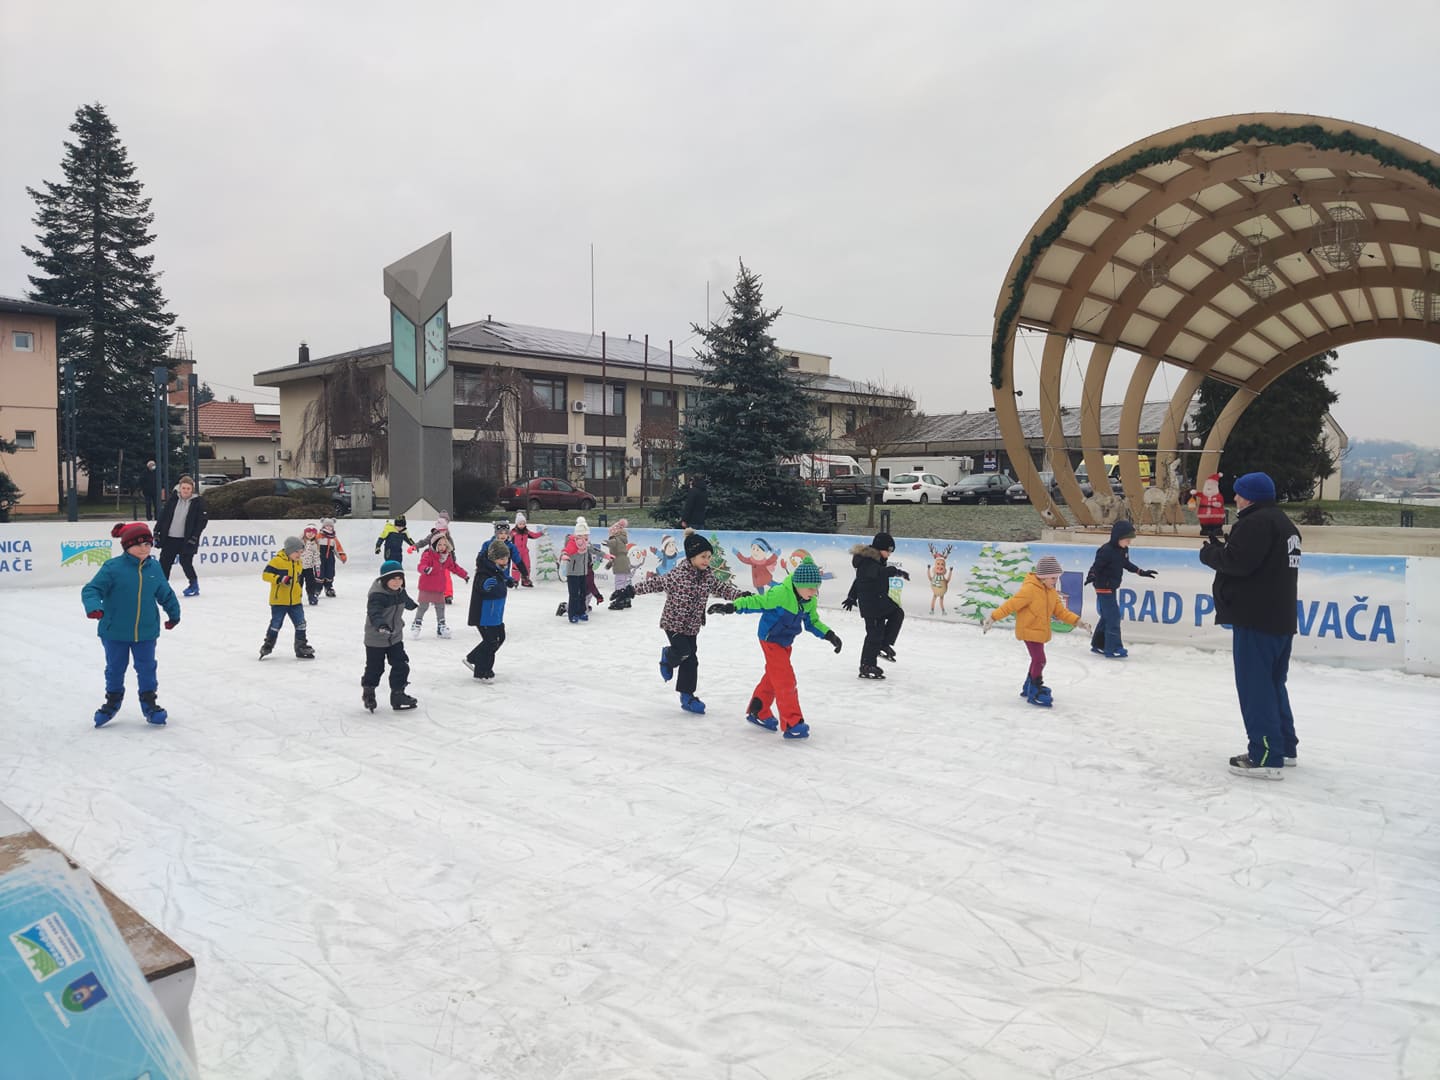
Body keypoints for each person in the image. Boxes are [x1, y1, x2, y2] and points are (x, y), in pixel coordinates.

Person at [1198, 471, 1302, 780]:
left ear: (1250, 496)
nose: (1236, 499)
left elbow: (1238, 563)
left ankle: (1266, 754)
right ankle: (1283, 747)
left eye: (1240, 494)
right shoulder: (1284, 523)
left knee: (1255, 688)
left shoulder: (1255, 523)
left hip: (1256, 618)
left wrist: (1210, 553)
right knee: (1272, 684)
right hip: (1279, 618)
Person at [610, 532, 747, 714]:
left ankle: (687, 696)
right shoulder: (678, 574)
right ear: (692, 556)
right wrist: (630, 591)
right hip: (673, 622)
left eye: (709, 557)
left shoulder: (708, 575)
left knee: (691, 660)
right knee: (683, 651)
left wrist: (741, 596)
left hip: (692, 626)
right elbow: (656, 583)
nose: (707, 560)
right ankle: (668, 656)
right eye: (703, 557)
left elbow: (722, 588)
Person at [709, 558, 841, 740]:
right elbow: (757, 602)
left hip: (785, 642)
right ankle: (793, 723)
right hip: (770, 639)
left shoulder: (808, 600)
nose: (815, 592)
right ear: (798, 584)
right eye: (811, 588)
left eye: (816, 588)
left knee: (774, 675)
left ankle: (759, 709)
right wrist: (732, 607)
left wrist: (829, 635)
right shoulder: (780, 594)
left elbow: (813, 623)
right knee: (785, 679)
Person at [82, 522, 180, 727]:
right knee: (115, 668)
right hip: (114, 630)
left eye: (148, 544)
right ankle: (112, 701)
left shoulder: (155, 568)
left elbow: (165, 592)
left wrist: (173, 614)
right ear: (126, 546)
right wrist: (94, 607)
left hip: (146, 631)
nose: (144, 548)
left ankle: (150, 702)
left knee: (147, 668)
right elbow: (91, 589)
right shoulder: (113, 567)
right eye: (139, 545)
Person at [983, 555, 1089, 707]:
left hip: (1040, 631)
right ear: (1043, 577)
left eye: (1057, 578)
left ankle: (1029, 686)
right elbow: (1011, 605)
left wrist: (1078, 622)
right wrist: (993, 618)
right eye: (1053, 578)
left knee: (1037, 660)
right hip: (1029, 630)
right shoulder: (1029, 590)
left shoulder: (1051, 592)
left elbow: (1060, 612)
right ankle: (1035, 688)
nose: (1055, 581)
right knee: (1040, 660)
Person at [1085, 520, 1157, 658]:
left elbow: (1126, 564)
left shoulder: (1123, 550)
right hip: (1103, 587)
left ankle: (1098, 644)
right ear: (1118, 537)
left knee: (1107, 616)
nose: (1129, 543)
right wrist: (1091, 576)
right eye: (1127, 540)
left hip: (1111, 586)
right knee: (1113, 617)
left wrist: (1141, 572)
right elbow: (1096, 566)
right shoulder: (1105, 550)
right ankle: (1113, 648)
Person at [842, 531, 909, 679]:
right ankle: (867, 665)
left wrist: (851, 596)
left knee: (897, 613)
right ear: (880, 548)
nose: (890, 554)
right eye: (889, 550)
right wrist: (896, 571)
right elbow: (877, 573)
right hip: (871, 604)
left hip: (878, 600)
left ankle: (883, 645)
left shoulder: (875, 560)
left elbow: (859, 580)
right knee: (874, 634)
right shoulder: (868, 561)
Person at [363, 560, 419, 711]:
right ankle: (369, 692)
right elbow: (374, 612)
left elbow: (404, 599)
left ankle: (398, 694)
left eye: (400, 578)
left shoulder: (400, 591)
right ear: (384, 579)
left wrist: (412, 604)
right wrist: (380, 625)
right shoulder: (377, 595)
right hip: (376, 638)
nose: (397, 582)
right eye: (393, 578)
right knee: (375, 668)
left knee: (401, 665)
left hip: (395, 637)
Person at [464, 539, 517, 680]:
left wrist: (508, 581)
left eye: (506, 558)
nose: (505, 561)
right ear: (493, 558)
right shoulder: (484, 571)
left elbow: (502, 578)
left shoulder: (499, 570)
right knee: (491, 641)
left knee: (500, 637)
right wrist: (484, 585)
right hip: (484, 614)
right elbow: (479, 585)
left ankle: (473, 657)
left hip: (495, 613)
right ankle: (482, 671)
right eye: (501, 558)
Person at [260, 536, 315, 660]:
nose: (299, 555)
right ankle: (268, 645)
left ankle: (301, 647)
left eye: (301, 553)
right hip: (279, 601)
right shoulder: (277, 561)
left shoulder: (299, 563)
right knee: (276, 624)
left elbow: (298, 580)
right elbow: (265, 575)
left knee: (301, 624)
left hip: (295, 601)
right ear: (289, 550)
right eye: (297, 552)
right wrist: (279, 579)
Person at [153, 474, 208, 596]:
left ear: (192, 489)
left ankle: (194, 585)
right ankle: (162, 587)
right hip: (170, 538)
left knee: (186, 562)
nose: (186, 491)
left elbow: (201, 521)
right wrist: (156, 532)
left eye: (188, 488)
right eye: (183, 488)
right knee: (164, 563)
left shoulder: (198, 502)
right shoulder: (172, 500)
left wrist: (194, 536)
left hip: (186, 540)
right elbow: (163, 516)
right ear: (179, 488)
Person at [412, 532, 468, 638]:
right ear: (434, 545)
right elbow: (421, 565)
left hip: (439, 587)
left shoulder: (446, 557)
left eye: (444, 545)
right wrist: (426, 569)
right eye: (439, 545)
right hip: (426, 586)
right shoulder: (428, 554)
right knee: (423, 606)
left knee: (440, 607)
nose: (442, 547)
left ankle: (441, 626)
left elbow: (454, 567)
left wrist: (464, 575)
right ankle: (416, 624)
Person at [559, 516, 592, 623]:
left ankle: (581, 612)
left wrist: (606, 556)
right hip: (573, 573)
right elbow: (566, 550)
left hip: (582, 572)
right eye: (584, 535)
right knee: (574, 595)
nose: (586, 537)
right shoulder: (573, 543)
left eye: (587, 535)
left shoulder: (586, 545)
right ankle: (572, 614)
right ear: (578, 535)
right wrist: (564, 555)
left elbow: (595, 550)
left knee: (583, 593)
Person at [509, 511, 543, 586]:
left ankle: (525, 580)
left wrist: (541, 533)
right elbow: (507, 539)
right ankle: (515, 580)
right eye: (520, 524)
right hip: (516, 552)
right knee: (516, 566)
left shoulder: (526, 532)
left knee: (527, 565)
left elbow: (534, 535)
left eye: (523, 524)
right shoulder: (513, 532)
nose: (522, 525)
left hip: (524, 552)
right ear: (516, 524)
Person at [316, 517, 347, 598]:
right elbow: (312, 547)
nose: (329, 528)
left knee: (330, 572)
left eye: (331, 526)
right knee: (320, 573)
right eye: (327, 526)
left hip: (330, 558)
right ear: (323, 526)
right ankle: (317, 588)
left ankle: (329, 587)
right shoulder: (318, 536)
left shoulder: (333, 538)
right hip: (319, 558)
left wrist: (342, 556)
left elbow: (338, 548)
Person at [605, 519, 633, 608]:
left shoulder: (615, 539)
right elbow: (616, 554)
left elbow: (611, 543)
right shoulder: (622, 539)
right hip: (625, 562)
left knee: (619, 582)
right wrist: (610, 563)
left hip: (620, 564)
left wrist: (606, 542)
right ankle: (626, 599)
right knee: (626, 582)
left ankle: (619, 601)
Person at [299, 523, 324, 605]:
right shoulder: (299, 542)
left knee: (310, 583)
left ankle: (311, 596)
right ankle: (296, 597)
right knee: (298, 583)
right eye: (308, 532)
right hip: (298, 568)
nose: (310, 534)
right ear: (304, 533)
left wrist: (317, 566)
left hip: (309, 568)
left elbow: (316, 556)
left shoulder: (315, 544)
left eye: (313, 533)